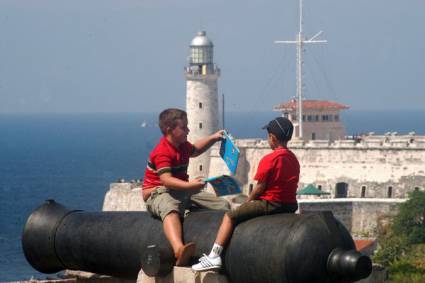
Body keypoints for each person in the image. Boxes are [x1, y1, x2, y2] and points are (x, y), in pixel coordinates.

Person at [192, 117, 300, 271]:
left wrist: (248, 201)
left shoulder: (270, 159)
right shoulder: (293, 159)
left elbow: (260, 187)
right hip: (289, 204)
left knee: (229, 216)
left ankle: (214, 256)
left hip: (271, 203)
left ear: (272, 138)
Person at [142, 108, 230, 267]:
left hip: (181, 190)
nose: (188, 130)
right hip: (158, 191)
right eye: (184, 128)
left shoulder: (182, 145)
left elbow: (195, 150)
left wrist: (214, 137)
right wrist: (191, 185)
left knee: (222, 205)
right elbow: (166, 180)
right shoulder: (162, 151)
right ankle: (178, 249)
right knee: (170, 208)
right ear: (169, 130)